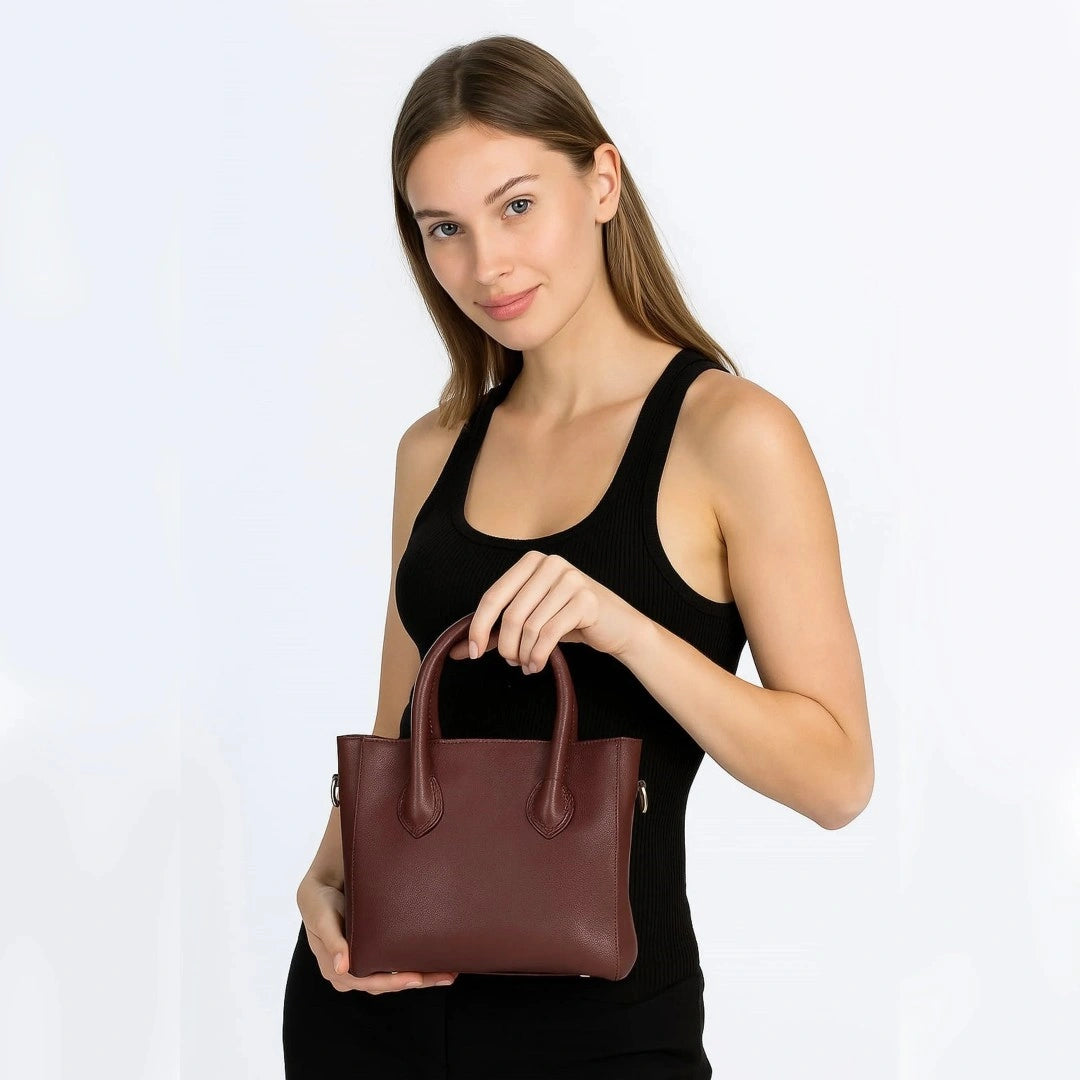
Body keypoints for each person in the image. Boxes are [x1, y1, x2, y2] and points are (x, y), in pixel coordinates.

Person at [282, 33, 874, 1080]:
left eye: (517, 205)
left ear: (601, 181)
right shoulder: (435, 449)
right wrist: (326, 882)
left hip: (604, 1032)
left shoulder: (731, 436)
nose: (487, 265)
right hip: (375, 1018)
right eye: (445, 229)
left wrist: (627, 630)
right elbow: (400, 728)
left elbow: (837, 778)